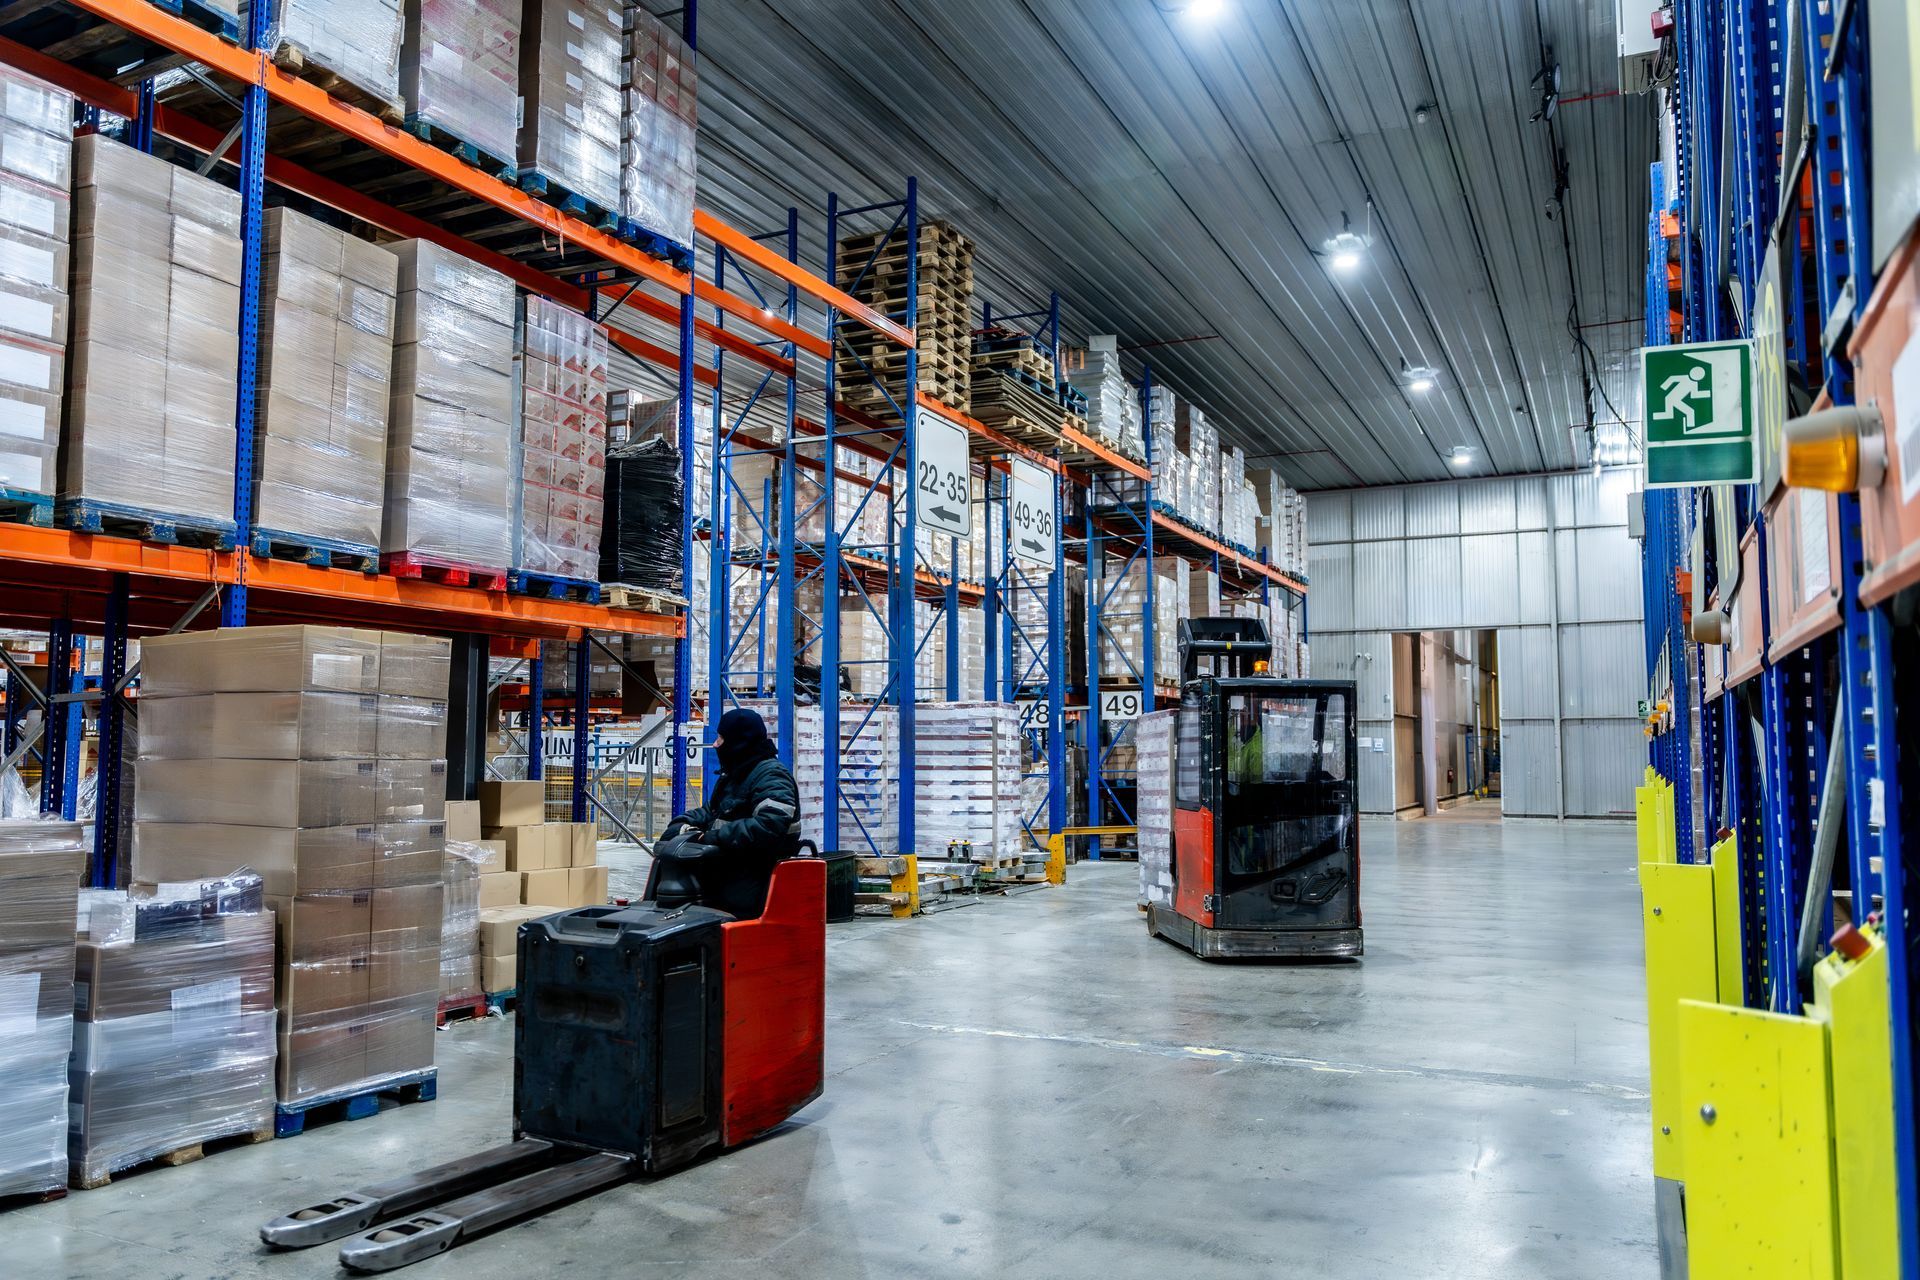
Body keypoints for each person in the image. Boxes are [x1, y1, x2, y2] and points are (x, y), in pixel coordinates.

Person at [660, 708, 802, 919]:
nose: (716, 744)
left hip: (755, 871)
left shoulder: (771, 775)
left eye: (721, 738)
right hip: (733, 863)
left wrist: (710, 837)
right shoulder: (737, 774)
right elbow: (710, 811)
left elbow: (769, 825)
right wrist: (682, 827)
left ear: (739, 742)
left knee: (697, 897)